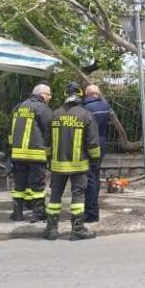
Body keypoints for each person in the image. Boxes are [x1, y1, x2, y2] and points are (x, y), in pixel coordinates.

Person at [44, 82, 101, 241]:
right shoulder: (85, 115)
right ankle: (77, 229)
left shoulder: (54, 114)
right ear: (81, 96)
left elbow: (47, 143)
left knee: (55, 195)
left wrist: (49, 159)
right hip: (79, 165)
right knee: (78, 195)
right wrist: (95, 161)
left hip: (57, 165)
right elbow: (93, 143)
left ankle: (51, 229)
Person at [9, 84, 53, 222]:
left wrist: (12, 147)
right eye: (49, 94)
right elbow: (49, 130)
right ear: (42, 94)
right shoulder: (42, 108)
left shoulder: (19, 107)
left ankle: (17, 213)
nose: (50, 98)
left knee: (19, 184)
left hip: (17, 154)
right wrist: (49, 151)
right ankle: (38, 213)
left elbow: (10, 129)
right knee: (38, 186)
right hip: (36, 154)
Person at [82, 84, 111, 223]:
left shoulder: (85, 108)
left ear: (87, 94)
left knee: (90, 177)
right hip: (102, 142)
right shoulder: (105, 106)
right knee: (96, 173)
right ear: (97, 94)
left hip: (90, 143)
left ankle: (91, 212)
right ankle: (93, 206)